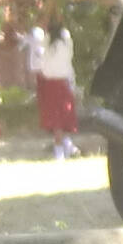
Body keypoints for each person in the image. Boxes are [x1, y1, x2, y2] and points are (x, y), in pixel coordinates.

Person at [28, 14, 82, 160]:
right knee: (64, 117)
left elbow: (42, 63)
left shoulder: (47, 43)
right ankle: (65, 147)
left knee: (56, 120)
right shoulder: (65, 44)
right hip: (63, 82)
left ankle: (60, 151)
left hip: (50, 84)